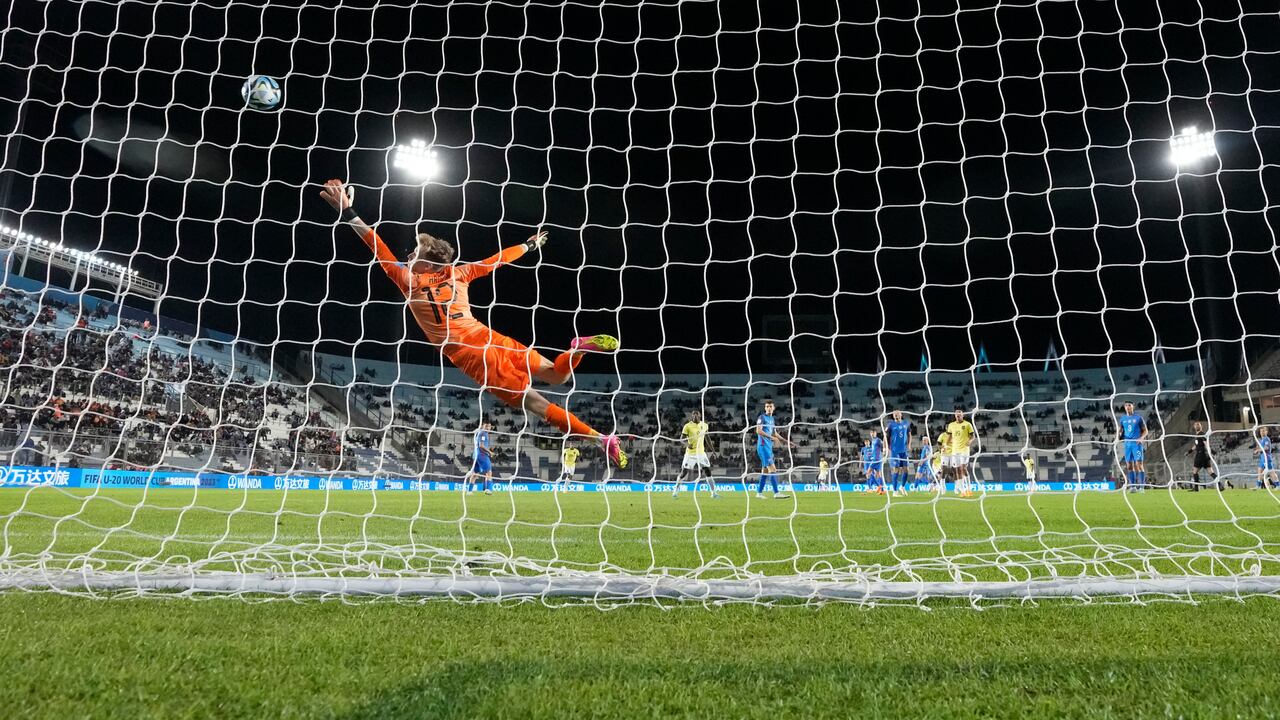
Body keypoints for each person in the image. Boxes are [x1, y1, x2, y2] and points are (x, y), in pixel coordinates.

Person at [319, 179, 627, 470]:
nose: (409, 254)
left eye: (414, 252)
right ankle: (576, 348)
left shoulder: (409, 281)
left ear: (426, 263)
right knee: (558, 375)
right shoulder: (459, 274)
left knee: (536, 403)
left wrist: (348, 212)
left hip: (474, 356)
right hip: (492, 337)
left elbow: (376, 244)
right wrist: (528, 246)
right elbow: (496, 260)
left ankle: (602, 438)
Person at [754, 399, 793, 499]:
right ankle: (776, 493)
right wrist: (772, 438)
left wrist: (787, 441)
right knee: (773, 469)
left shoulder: (772, 419)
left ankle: (759, 493)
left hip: (768, 447)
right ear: (765, 408)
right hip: (763, 447)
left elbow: (775, 433)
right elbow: (758, 431)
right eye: (767, 406)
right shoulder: (762, 417)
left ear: (774, 408)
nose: (769, 408)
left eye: (771, 406)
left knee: (765, 471)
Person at [673, 411, 717, 498]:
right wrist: (687, 445)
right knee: (684, 473)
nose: (695, 416)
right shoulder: (687, 426)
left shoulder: (704, 425)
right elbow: (681, 439)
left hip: (701, 453)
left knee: (708, 471)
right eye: (694, 415)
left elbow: (707, 438)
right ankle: (676, 490)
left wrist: (713, 451)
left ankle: (713, 493)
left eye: (697, 414)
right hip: (690, 454)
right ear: (692, 416)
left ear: (700, 415)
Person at [1116, 402, 1147, 492]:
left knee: (1139, 464)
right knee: (1129, 465)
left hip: (1136, 444)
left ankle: (1141, 487)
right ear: (1124, 407)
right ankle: (1133, 487)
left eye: (1129, 405)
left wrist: (1141, 437)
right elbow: (1120, 430)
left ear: (1133, 406)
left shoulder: (1138, 418)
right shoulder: (1122, 419)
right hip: (1127, 444)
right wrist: (1117, 437)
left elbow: (1145, 430)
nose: (1128, 407)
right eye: (1126, 405)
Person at [946, 409, 977, 497]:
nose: (958, 416)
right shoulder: (951, 425)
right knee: (958, 470)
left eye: (959, 414)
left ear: (962, 415)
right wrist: (946, 445)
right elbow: (949, 436)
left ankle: (969, 488)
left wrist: (970, 442)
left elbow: (973, 436)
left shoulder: (967, 424)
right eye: (956, 415)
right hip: (955, 451)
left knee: (963, 469)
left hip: (964, 450)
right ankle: (963, 491)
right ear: (955, 416)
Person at [886, 410, 912, 497]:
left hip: (904, 451)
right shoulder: (891, 425)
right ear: (893, 416)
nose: (896, 415)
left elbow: (909, 434)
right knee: (896, 469)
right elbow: (886, 436)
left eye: (897, 414)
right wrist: (886, 447)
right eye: (894, 414)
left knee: (906, 469)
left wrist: (909, 444)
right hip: (894, 451)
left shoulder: (906, 423)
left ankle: (903, 487)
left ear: (901, 415)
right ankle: (894, 491)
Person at [1187, 421, 1219, 491]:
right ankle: (1220, 485)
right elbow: (1196, 445)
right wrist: (1189, 451)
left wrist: (1212, 452)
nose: (1197, 426)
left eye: (1198, 425)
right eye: (1196, 425)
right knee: (1211, 472)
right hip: (1205, 456)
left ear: (1201, 426)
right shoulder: (1197, 435)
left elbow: (1206, 444)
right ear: (1194, 427)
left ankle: (1196, 488)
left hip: (1200, 455)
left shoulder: (1201, 434)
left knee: (1195, 471)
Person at [464, 422, 494, 495]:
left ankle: (469, 491)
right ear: (483, 426)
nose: (488, 428)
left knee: (475, 474)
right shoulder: (483, 433)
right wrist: (489, 452)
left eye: (489, 426)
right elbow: (481, 445)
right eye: (487, 426)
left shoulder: (480, 433)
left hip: (476, 454)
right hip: (482, 455)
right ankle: (488, 489)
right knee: (489, 472)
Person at [864, 430, 885, 495]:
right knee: (878, 474)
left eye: (873, 433)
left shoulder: (878, 440)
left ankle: (871, 488)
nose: (872, 434)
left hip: (876, 459)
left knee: (868, 473)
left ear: (876, 433)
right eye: (871, 433)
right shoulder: (873, 440)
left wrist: (884, 453)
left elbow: (883, 446)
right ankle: (882, 490)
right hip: (877, 459)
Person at [1256, 426, 1276, 490]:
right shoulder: (1262, 440)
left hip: (1266, 458)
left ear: (1266, 432)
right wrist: (1257, 450)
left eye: (1263, 431)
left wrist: (1258, 450)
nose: (1262, 432)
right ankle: (1258, 486)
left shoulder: (1266, 439)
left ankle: (1278, 485)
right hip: (1262, 458)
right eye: (1261, 431)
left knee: (1271, 472)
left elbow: (1266, 448)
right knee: (1259, 470)